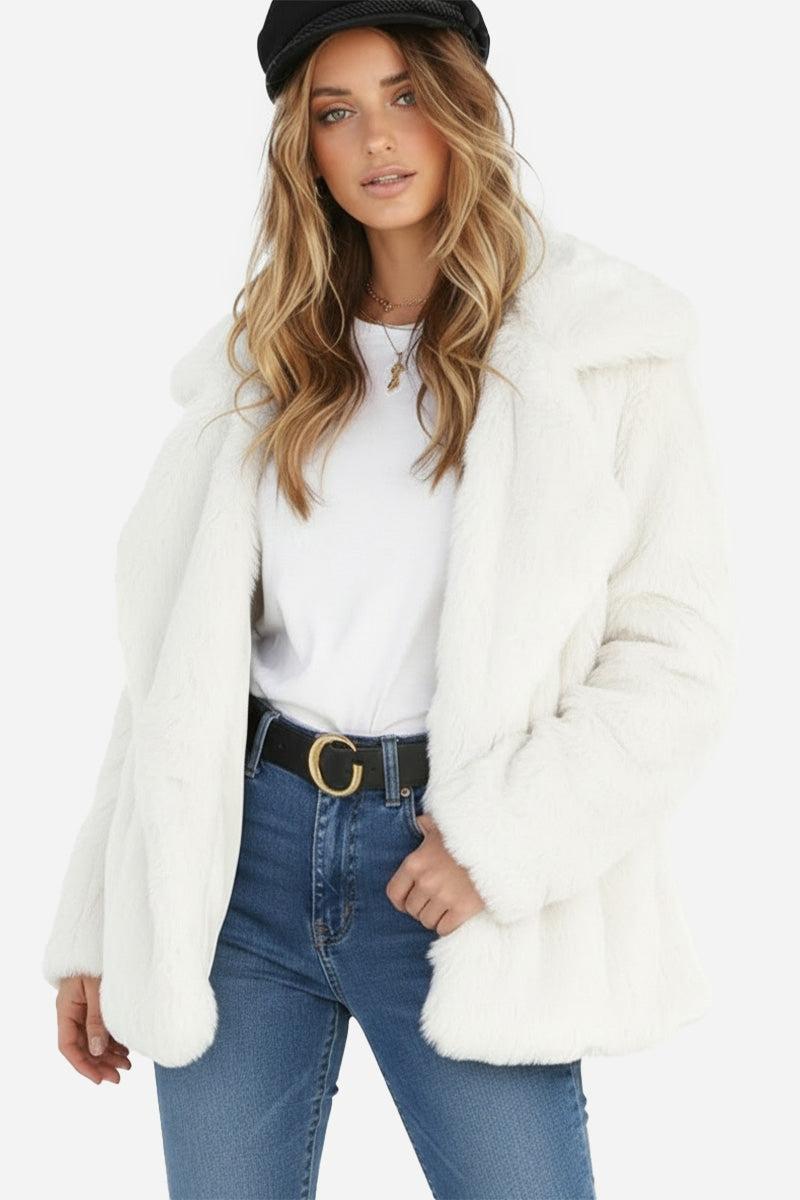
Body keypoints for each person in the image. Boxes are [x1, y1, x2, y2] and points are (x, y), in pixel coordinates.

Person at [42, 3, 735, 1197]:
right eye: (336, 111)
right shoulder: (264, 359)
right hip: (237, 866)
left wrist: (496, 845)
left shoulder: (598, 349)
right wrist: (106, 916)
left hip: (449, 873)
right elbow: (173, 669)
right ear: (301, 148)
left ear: (462, 104)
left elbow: (675, 658)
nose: (376, 139)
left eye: (405, 95)